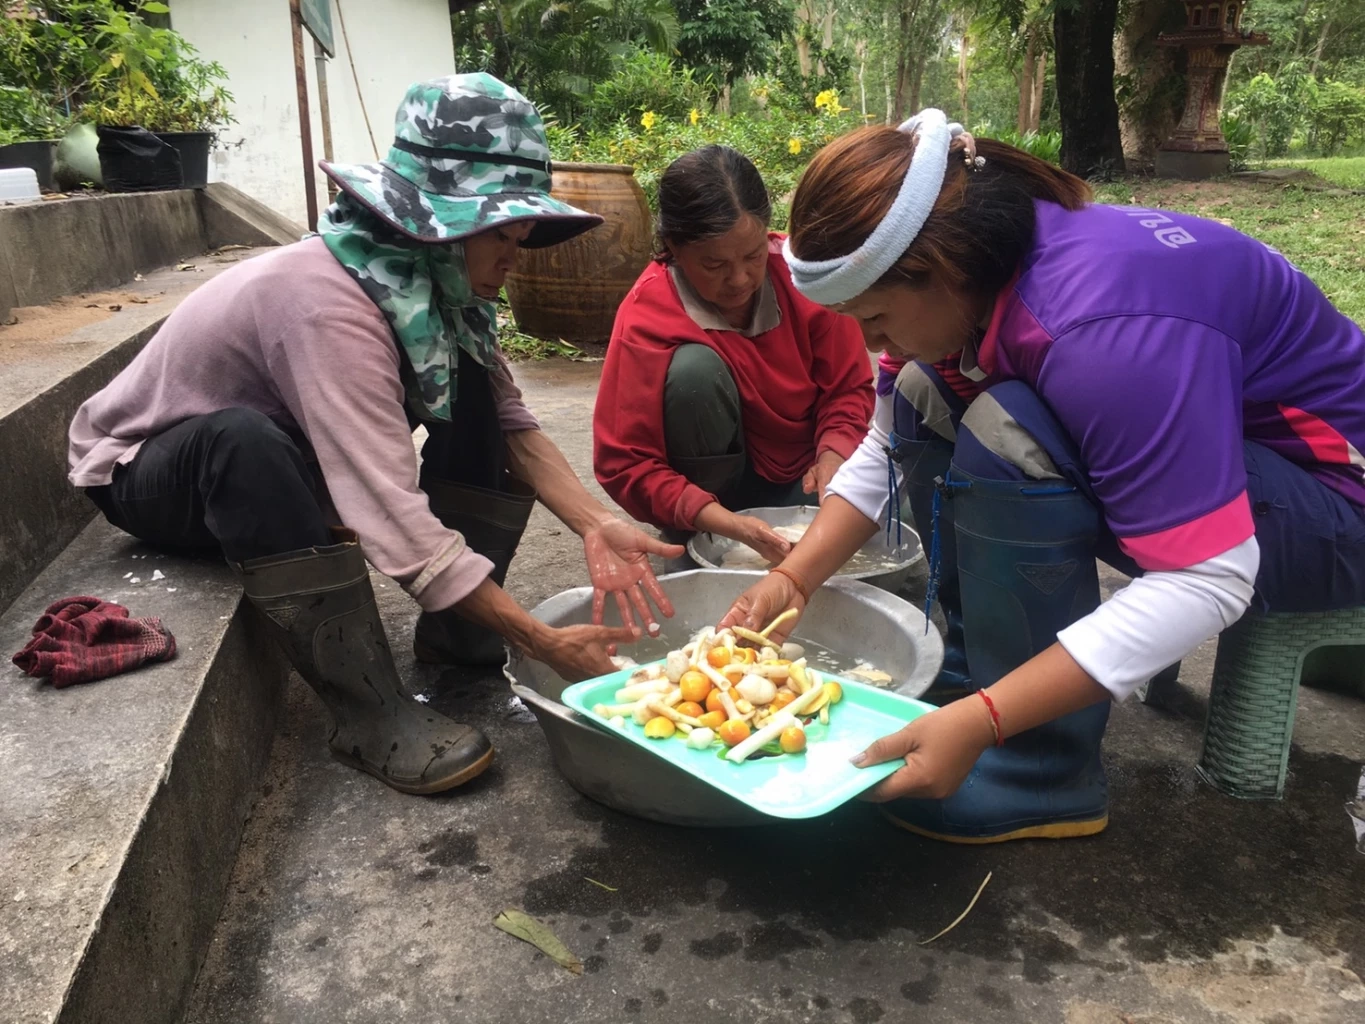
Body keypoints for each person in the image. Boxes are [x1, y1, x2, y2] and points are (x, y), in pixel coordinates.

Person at [720, 109, 1365, 843]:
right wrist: (796, 578)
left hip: (1339, 514)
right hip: (1258, 475)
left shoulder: (1101, 333)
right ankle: (973, 680)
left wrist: (986, 724)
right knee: (924, 395)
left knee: (1011, 427)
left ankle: (1035, 766)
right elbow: (884, 445)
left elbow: (1208, 575)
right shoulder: (976, 269)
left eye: (874, 318)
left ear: (942, 270)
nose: (869, 344)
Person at [66, 74, 682, 797]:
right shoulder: (328, 307)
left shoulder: (436, 293)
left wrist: (594, 524)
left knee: (476, 390)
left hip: (289, 454)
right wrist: (540, 642)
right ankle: (369, 714)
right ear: (438, 225)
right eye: (501, 237)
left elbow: (511, 426)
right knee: (242, 441)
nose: (515, 259)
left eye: (521, 237)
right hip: (147, 470)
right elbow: (390, 515)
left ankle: (459, 636)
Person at [593, 145, 874, 565]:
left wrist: (834, 454)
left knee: (891, 513)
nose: (740, 279)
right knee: (693, 374)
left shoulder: (808, 280)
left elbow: (848, 389)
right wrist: (718, 521)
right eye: (714, 265)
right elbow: (626, 463)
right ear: (674, 247)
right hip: (707, 502)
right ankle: (698, 536)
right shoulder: (646, 315)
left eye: (753, 254)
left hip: (805, 480)